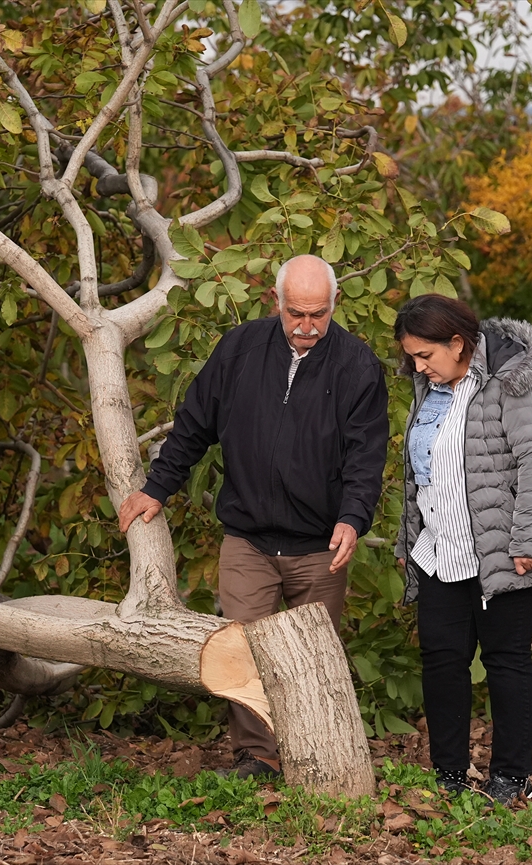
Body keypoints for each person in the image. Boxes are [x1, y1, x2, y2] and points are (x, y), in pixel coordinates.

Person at [119, 254, 389, 779]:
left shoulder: (357, 365)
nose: (307, 327)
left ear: (335, 305)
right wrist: (157, 488)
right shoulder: (240, 349)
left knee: (311, 662)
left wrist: (353, 518)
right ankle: (256, 758)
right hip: (248, 539)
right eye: (296, 314)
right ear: (275, 302)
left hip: (319, 546)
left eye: (319, 315)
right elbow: (195, 423)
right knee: (241, 652)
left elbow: (366, 457)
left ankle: (318, 758)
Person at [392, 294, 532, 806]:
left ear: (458, 343)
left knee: (506, 659)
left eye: (425, 354)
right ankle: (449, 774)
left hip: (507, 550)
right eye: (411, 356)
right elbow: (422, 477)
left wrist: (530, 540)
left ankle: (511, 778)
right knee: (442, 660)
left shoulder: (510, 384)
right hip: (440, 553)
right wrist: (411, 540)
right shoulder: (429, 389)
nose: (418, 365)